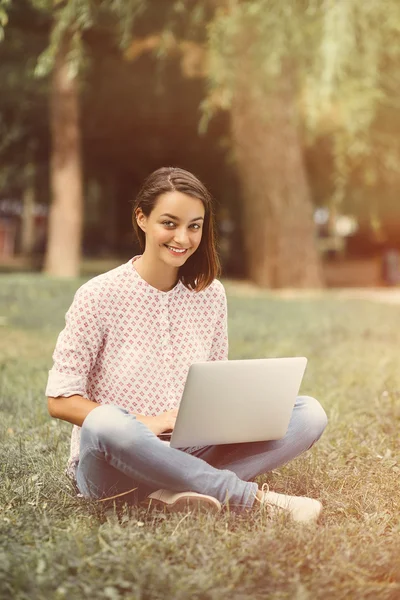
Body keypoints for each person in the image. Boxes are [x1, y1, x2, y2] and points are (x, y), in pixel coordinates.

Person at [46, 167, 328, 523]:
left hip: (192, 448)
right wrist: (146, 422)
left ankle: (174, 489)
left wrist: (232, 415)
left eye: (194, 226)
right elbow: (59, 399)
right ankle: (247, 497)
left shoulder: (211, 296)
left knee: (309, 413)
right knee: (105, 422)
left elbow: (215, 383)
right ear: (142, 218)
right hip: (112, 463)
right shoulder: (98, 295)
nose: (183, 237)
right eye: (169, 223)